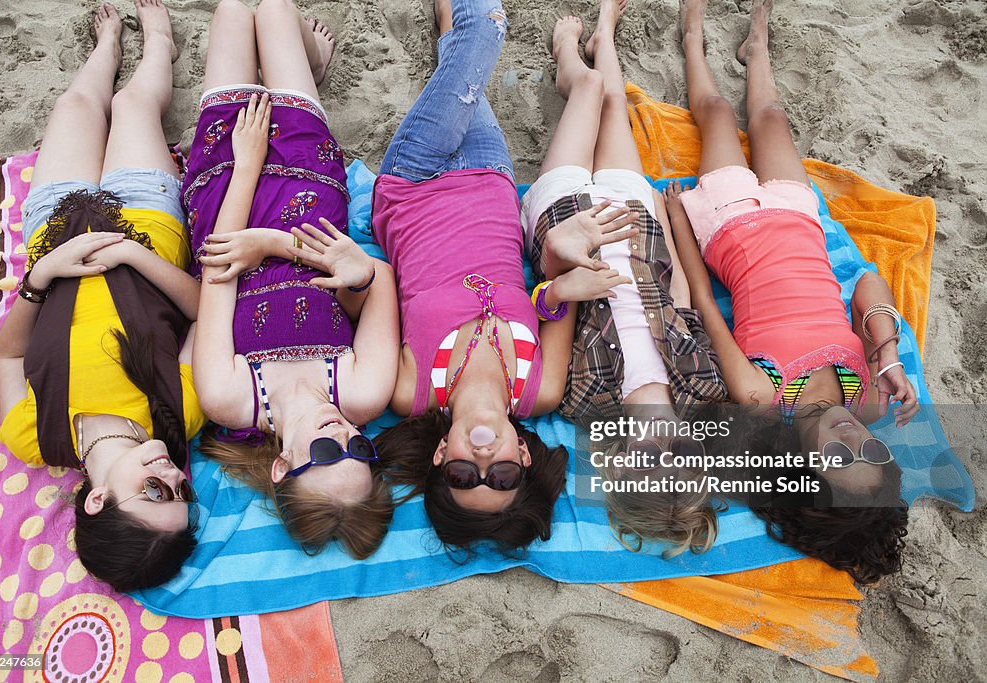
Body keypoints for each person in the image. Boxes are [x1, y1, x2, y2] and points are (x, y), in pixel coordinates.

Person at [371, 0, 634, 554]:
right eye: (504, 478)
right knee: (463, 66)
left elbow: (372, 300)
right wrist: (563, 279)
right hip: (492, 179)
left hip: (413, 185)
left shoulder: (408, 392)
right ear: (524, 458)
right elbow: (549, 292)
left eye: (466, 478)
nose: (485, 463)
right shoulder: (540, 390)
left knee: (483, 28)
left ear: (441, 459)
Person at [664, 0, 912, 582]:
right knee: (772, 118)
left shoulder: (761, 397)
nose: (853, 441)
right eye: (870, 454)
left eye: (837, 460)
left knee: (719, 113)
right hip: (800, 221)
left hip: (729, 226)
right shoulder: (869, 399)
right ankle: (757, 46)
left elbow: (704, 303)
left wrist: (677, 220)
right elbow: (868, 282)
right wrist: (887, 353)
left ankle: (693, 35)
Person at [0, 0, 206, 592]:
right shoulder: (177, 415)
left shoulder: (37, 438)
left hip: (53, 232)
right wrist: (135, 255)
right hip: (142, 221)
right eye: (182, 491)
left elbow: (8, 357)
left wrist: (40, 279)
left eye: (156, 492)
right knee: (134, 105)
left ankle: (107, 45)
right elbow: (204, 312)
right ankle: (159, 40)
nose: (173, 473)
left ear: (98, 501)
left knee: (76, 105)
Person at [187, 0, 397, 560]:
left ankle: (304, 64)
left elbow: (217, 274)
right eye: (361, 452)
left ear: (282, 466)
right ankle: (309, 64)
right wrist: (350, 276)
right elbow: (379, 277)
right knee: (275, 11)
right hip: (307, 196)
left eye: (329, 454)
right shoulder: (363, 392)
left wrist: (249, 162)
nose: (346, 436)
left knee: (234, 11)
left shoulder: (230, 399)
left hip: (228, 195)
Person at [521, 1, 727, 556]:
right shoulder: (703, 386)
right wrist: (661, 215)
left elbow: (545, 301)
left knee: (588, 90)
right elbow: (680, 295)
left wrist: (562, 266)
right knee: (614, 105)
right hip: (635, 221)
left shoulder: (584, 400)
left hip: (565, 219)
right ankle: (605, 33)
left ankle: (569, 52)